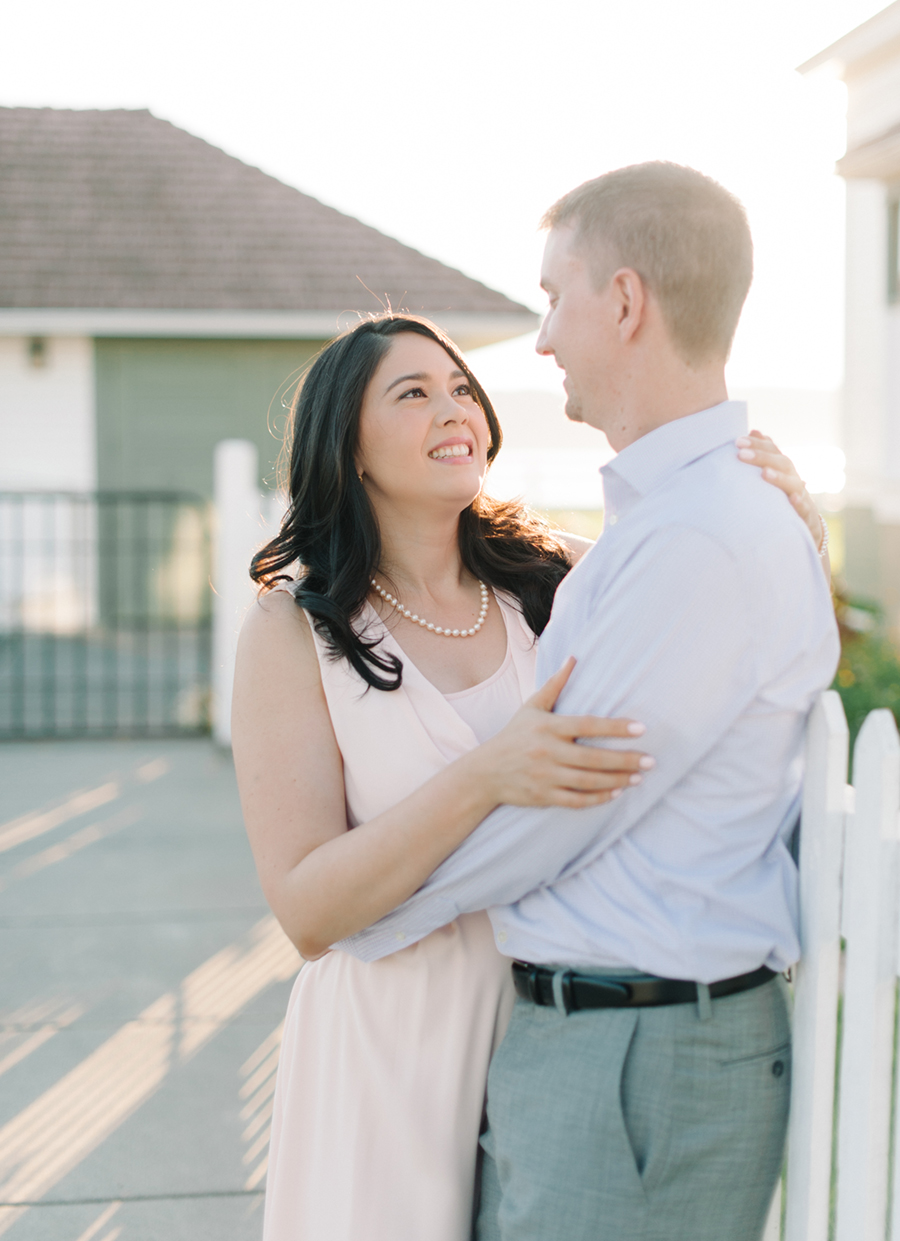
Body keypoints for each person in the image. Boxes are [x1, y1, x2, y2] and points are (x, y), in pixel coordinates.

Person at [340, 165, 840, 1241]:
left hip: (639, 1053)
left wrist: (378, 915)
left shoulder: (701, 533)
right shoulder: (674, 525)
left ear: (624, 301)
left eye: (554, 298)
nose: (544, 338)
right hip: (608, 1041)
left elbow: (567, 801)